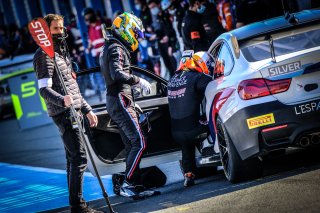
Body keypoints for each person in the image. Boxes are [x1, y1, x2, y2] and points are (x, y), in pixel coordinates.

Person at [33, 14, 100, 213]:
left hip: (74, 109)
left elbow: (73, 87)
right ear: (46, 32)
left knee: (73, 159)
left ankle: (76, 204)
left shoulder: (61, 52)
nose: (61, 32)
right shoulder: (43, 55)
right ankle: (78, 206)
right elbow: (44, 89)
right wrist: (62, 100)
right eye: (56, 29)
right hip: (63, 112)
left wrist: (87, 109)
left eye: (62, 28)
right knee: (79, 158)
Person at [99, 12, 152, 199]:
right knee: (139, 142)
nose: (137, 38)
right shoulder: (116, 48)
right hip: (120, 100)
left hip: (118, 99)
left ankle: (135, 184)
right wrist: (138, 81)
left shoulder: (110, 45)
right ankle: (127, 183)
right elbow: (117, 74)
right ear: (127, 30)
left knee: (131, 144)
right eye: (135, 33)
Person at [168, 50, 219, 187]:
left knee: (186, 138)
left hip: (176, 134)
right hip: (195, 130)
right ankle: (219, 150)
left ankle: (188, 174)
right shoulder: (197, 77)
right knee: (214, 118)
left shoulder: (172, 79)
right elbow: (216, 83)